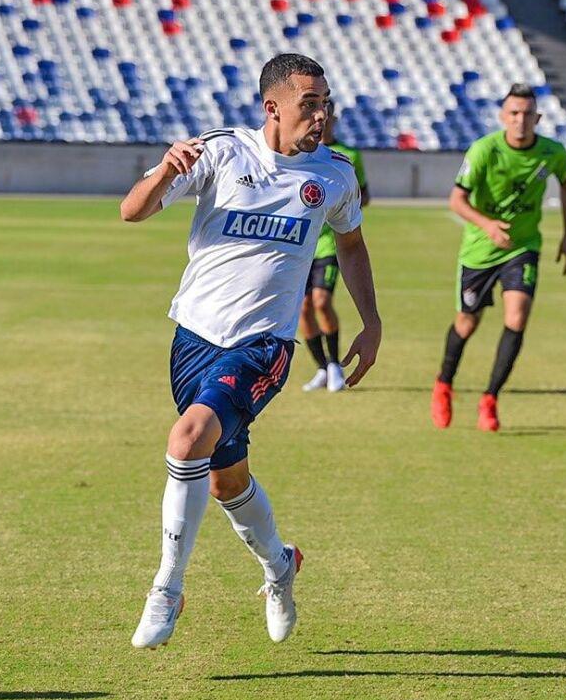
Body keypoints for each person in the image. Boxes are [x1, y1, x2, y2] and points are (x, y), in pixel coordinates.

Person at [119, 53, 382, 649]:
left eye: (325, 103)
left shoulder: (334, 175)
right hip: (193, 338)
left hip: (264, 345)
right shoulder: (221, 152)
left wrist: (371, 323)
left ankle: (167, 587)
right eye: (309, 104)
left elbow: (352, 246)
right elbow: (131, 211)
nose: (321, 115)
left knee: (188, 438)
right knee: (224, 480)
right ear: (273, 107)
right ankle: (280, 566)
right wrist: (165, 171)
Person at [431, 83, 566, 431]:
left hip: (523, 247)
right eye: (514, 113)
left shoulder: (553, 152)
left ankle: (490, 399)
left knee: (517, 317)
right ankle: (444, 384)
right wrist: (487, 225)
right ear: (502, 116)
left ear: (537, 118)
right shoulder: (484, 150)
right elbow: (456, 200)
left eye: (527, 114)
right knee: (467, 322)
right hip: (480, 251)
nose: (520, 120)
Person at [300, 102, 371, 392]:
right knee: (303, 309)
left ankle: (334, 365)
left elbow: (364, 195)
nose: (322, 120)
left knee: (321, 301)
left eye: (327, 115)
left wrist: (340, 205)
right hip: (302, 245)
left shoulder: (349, 156)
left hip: (329, 244)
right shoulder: (301, 155)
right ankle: (321, 368)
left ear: (333, 118)